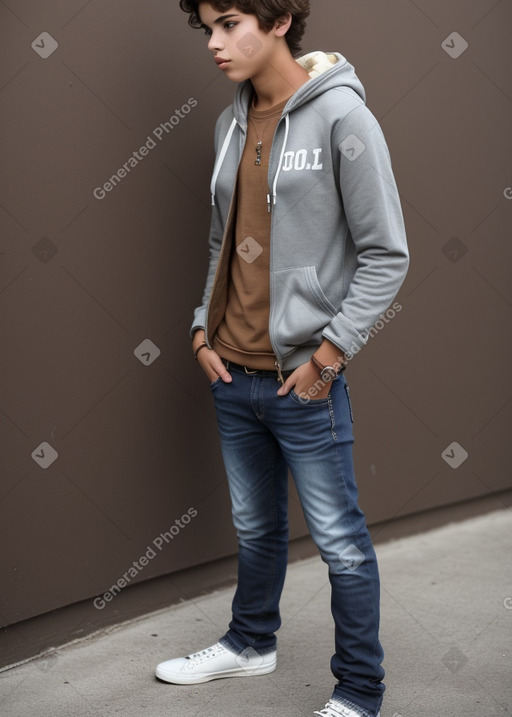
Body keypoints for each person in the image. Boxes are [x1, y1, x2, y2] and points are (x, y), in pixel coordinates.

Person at [156, 2, 409, 716]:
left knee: (341, 541)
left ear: (279, 19)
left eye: (229, 22)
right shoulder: (229, 122)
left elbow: (387, 253)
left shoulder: (343, 118)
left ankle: (360, 689)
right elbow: (219, 238)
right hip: (232, 373)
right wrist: (204, 330)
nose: (214, 42)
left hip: (305, 381)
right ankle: (249, 642)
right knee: (255, 526)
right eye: (205, 27)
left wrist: (328, 354)